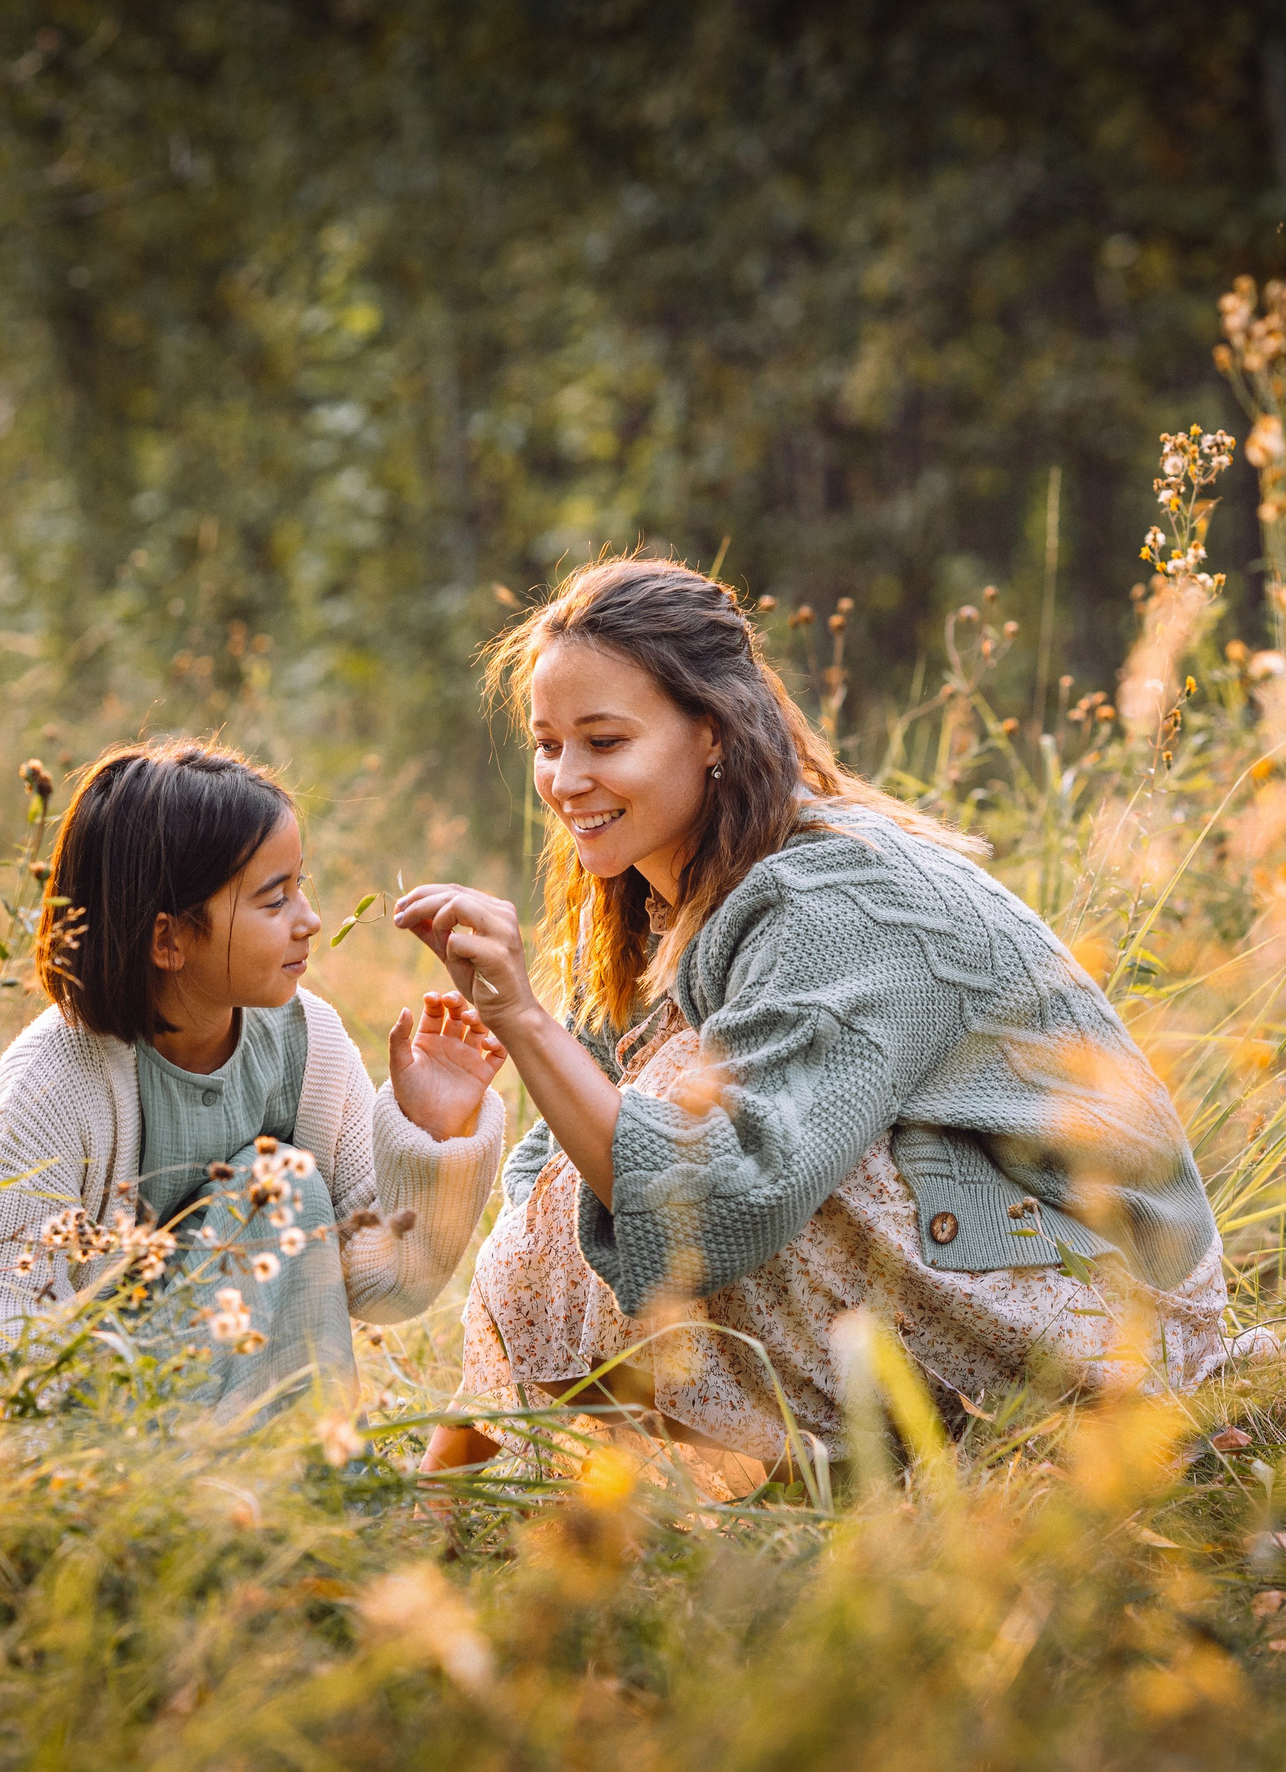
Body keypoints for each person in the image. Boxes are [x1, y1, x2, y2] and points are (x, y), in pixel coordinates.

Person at [395, 558, 1231, 1490]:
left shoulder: (840, 901)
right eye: (550, 745)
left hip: (1115, 1307)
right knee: (606, 1145)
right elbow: (550, 1182)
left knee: (677, 1099)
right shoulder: (659, 894)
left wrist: (519, 1017)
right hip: (990, 1254)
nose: (566, 779)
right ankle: (464, 1495)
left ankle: (936, 1455)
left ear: (711, 731)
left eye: (605, 741)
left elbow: (725, 1199)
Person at [0, 738, 506, 1417]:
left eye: (299, 886)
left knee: (276, 1183)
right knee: (274, 1184)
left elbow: (381, 1283)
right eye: (274, 900)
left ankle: (309, 1488)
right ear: (169, 940)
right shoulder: (55, 1080)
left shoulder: (307, 1045)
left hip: (239, 1446)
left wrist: (432, 1130)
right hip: (77, 1443)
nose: (309, 920)